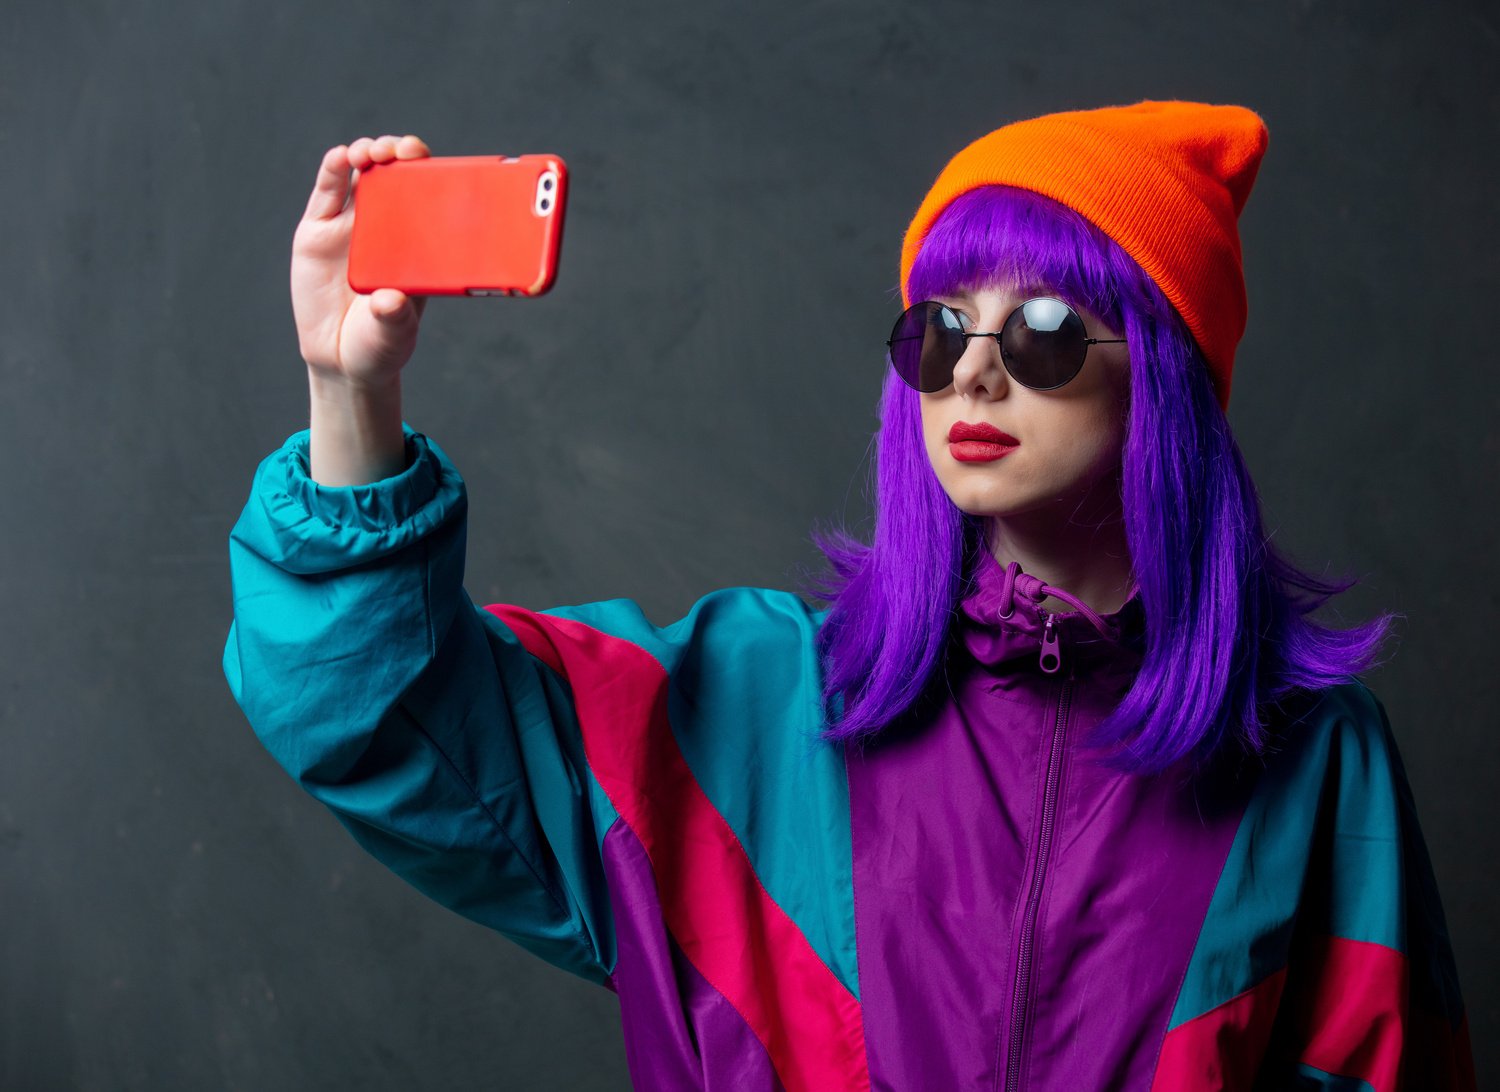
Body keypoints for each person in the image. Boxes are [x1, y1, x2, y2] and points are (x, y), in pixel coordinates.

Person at [223, 102, 1475, 1090]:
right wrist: (350, 395)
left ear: (1165, 379)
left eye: (1043, 328)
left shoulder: (1314, 764)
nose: (975, 373)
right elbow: (376, 716)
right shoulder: (756, 704)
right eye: (938, 327)